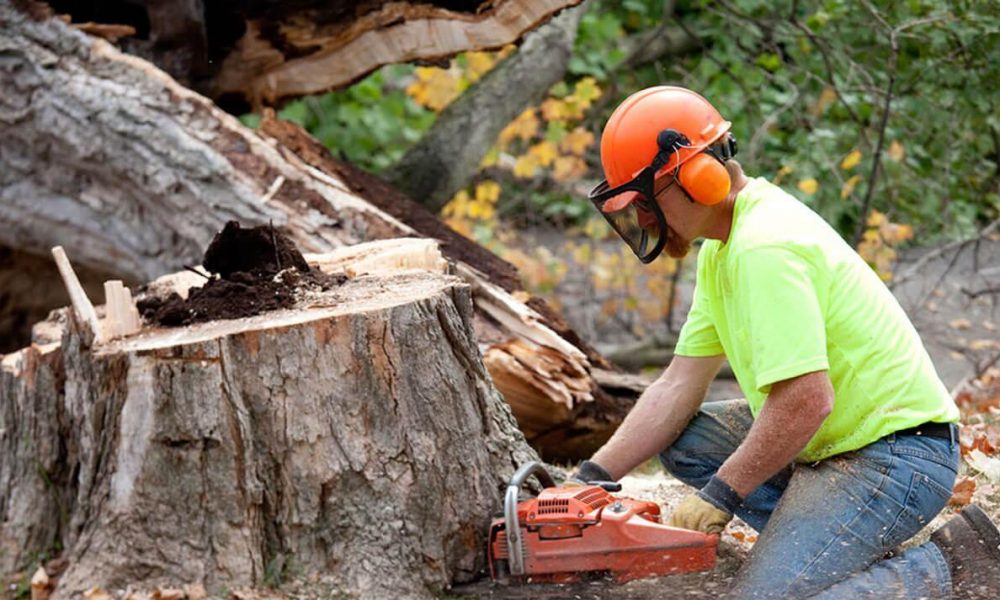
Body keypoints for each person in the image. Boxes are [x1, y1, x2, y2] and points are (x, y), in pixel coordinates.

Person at [578, 85, 1000, 598]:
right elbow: (676, 386)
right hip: (835, 442)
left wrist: (722, 493)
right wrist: (589, 480)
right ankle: (826, 544)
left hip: (897, 455)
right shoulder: (723, 244)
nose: (643, 218)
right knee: (685, 440)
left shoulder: (765, 247)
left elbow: (806, 400)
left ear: (696, 176)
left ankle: (950, 564)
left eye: (646, 202)